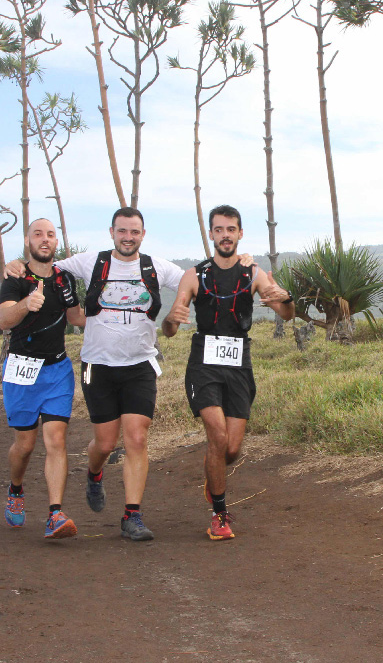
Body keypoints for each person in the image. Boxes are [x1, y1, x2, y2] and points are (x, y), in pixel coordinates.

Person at [5, 207, 253, 542]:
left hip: (140, 365)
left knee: (136, 438)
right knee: (105, 443)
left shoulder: (155, 267)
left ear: (143, 235)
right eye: (122, 231)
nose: (128, 237)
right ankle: (94, 472)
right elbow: (47, 268)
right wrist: (16, 265)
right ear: (112, 232)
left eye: (134, 232)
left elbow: (199, 278)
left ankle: (132, 515)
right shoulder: (92, 261)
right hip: (98, 365)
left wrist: (239, 263)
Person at [162, 205, 294, 540]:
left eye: (230, 229)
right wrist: (171, 319)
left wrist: (287, 298)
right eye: (218, 229)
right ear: (211, 234)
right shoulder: (194, 275)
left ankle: (214, 478)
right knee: (218, 437)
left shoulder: (254, 273)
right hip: (203, 364)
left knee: (231, 450)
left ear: (240, 233)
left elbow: (287, 313)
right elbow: (170, 330)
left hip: (239, 363)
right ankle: (219, 515)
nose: (225, 235)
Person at [0, 218, 86, 539]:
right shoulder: (15, 277)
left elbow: (76, 317)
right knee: (25, 445)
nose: (44, 239)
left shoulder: (65, 279)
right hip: (21, 370)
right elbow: (4, 319)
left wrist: (112, 317)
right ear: (28, 241)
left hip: (58, 370)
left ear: (56, 241)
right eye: (38, 234)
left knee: (56, 440)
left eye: (50, 234)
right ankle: (16, 490)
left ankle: (55, 514)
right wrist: (26, 303)